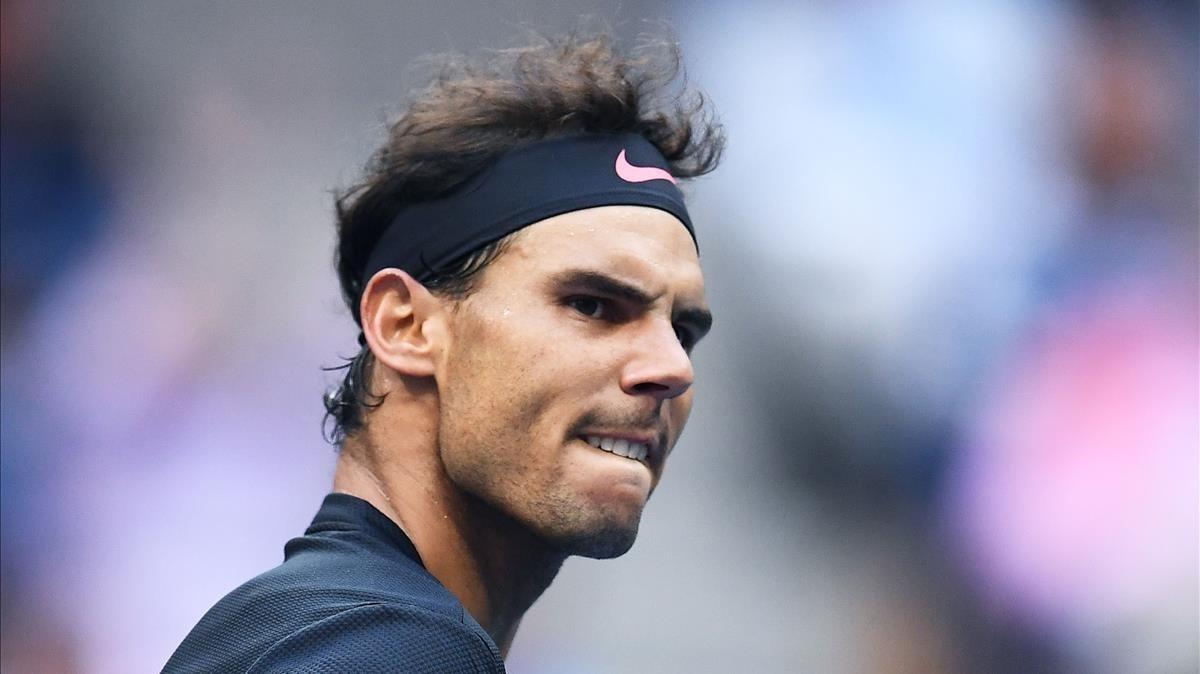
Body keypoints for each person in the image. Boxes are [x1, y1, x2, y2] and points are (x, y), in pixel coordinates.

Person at [165, 30, 724, 673]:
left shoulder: (328, 628)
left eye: (682, 331)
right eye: (592, 305)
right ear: (405, 326)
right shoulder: (391, 645)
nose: (673, 369)